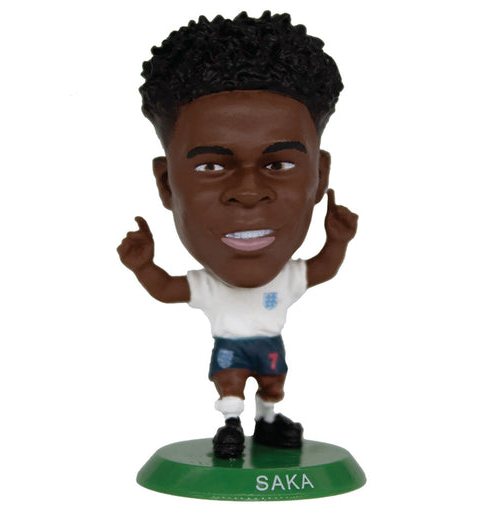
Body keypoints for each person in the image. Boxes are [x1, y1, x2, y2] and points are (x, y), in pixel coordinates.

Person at [117, 11, 358, 459]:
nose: (248, 192)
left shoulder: (287, 279)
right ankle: (231, 424)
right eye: (211, 166)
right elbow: (167, 289)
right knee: (229, 384)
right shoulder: (210, 287)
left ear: (319, 177)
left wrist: (338, 240)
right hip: (231, 349)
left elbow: (323, 268)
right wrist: (142, 265)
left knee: (274, 383)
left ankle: (267, 420)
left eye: (279, 164)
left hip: (269, 347)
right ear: (167, 184)